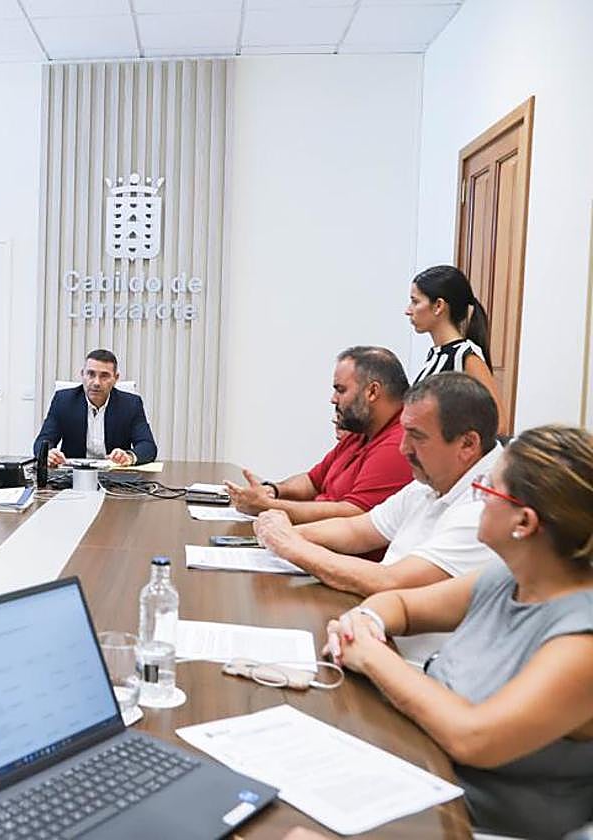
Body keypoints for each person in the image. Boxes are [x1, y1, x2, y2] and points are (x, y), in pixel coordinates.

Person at [325, 425, 593, 839]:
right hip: (420, 776)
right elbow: (401, 605)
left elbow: (475, 737)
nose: (478, 496)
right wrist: (367, 622)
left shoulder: (581, 641)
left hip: (477, 826)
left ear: (524, 522)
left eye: (489, 488)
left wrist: (373, 656)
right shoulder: (508, 577)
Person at [254, 373, 502, 664]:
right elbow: (358, 529)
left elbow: (392, 582)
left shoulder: (487, 508)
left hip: (417, 670)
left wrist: (291, 545)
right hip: (375, 641)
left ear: (467, 445)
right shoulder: (436, 477)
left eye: (417, 437)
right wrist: (282, 532)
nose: (403, 448)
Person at [226, 346, 412, 527]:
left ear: (372, 391)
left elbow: (353, 515)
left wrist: (269, 507)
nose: (333, 399)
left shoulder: (398, 444)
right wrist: (272, 491)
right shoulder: (361, 432)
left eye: (341, 390)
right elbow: (313, 481)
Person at [406, 265, 507, 434]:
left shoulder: (465, 355)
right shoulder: (435, 355)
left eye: (415, 301)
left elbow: (499, 424)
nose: (408, 310)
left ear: (438, 306)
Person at [33, 349, 157, 467]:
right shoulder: (63, 401)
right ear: (82, 375)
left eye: (104, 376)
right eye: (91, 374)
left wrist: (129, 457)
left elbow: (148, 445)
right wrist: (48, 454)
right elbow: (43, 441)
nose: (96, 382)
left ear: (115, 378)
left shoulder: (131, 404)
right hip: (73, 476)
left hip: (115, 477)